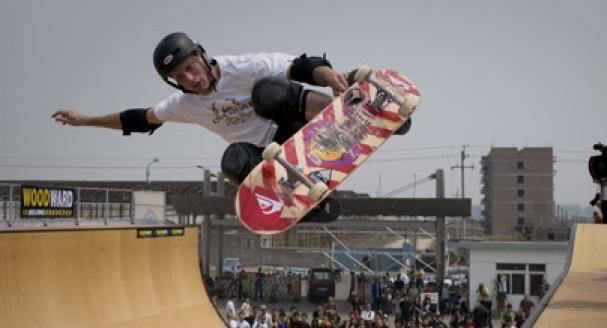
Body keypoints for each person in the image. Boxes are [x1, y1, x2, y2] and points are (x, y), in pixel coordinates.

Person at [53, 33, 415, 186]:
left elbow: (303, 66)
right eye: (182, 77)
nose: (192, 80)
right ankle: (296, 196)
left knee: (269, 91)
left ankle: (360, 113)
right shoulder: (184, 104)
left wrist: (330, 78)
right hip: (273, 157)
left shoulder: (244, 66)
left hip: (297, 122)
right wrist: (86, 121)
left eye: (192, 68)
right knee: (233, 161)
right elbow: (139, 119)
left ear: (202, 55)